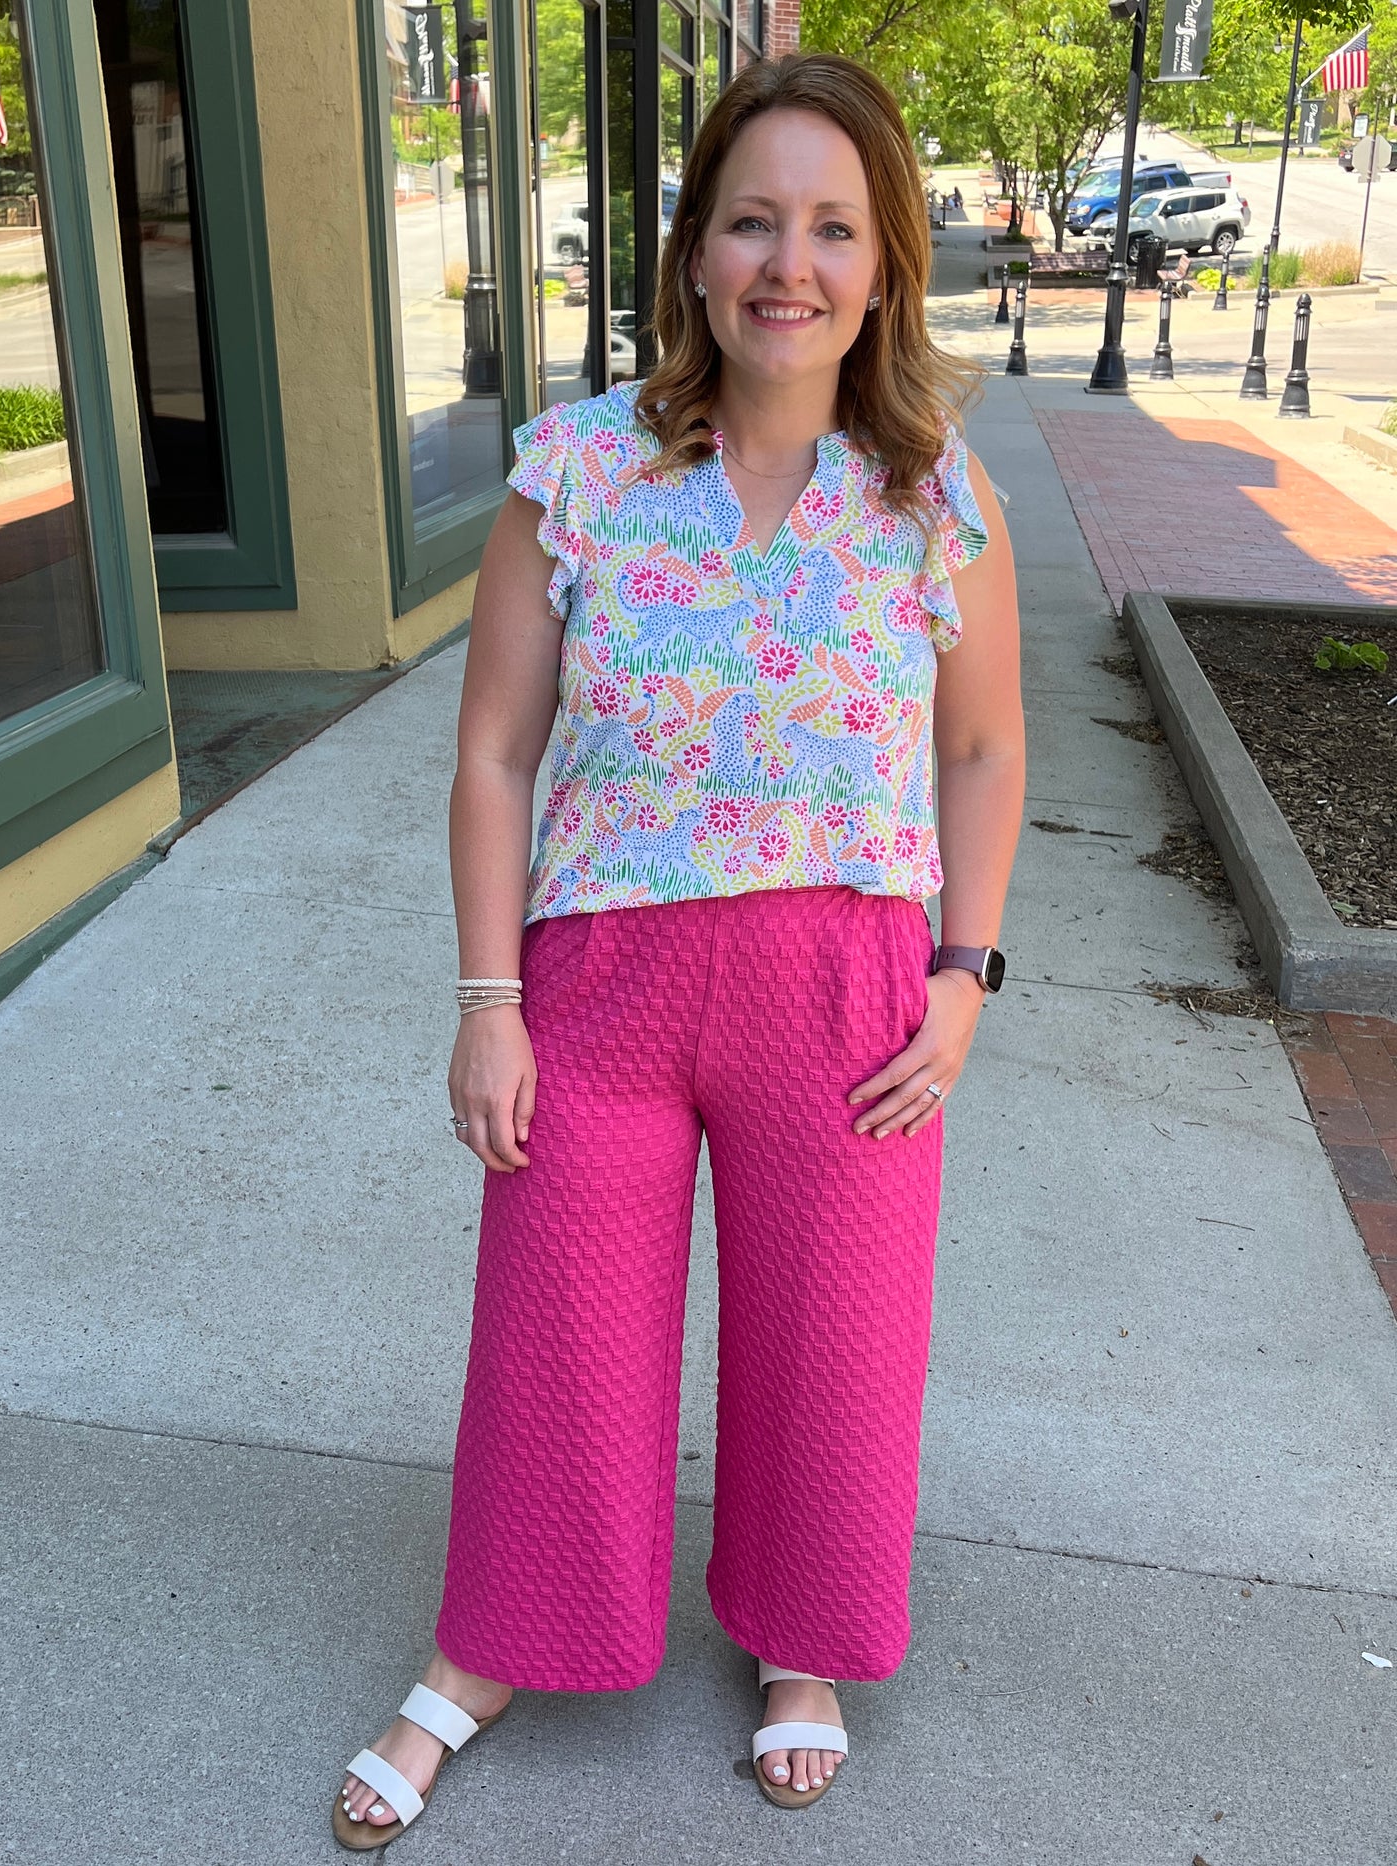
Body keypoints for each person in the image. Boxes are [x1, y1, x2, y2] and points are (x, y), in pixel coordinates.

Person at [335, 49, 1023, 1849]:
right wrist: (487, 1002)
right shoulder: (576, 469)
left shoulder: (935, 493)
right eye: (750, 221)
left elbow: (980, 746)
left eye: (830, 227)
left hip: (849, 989)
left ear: (882, 266)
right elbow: (491, 748)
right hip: (605, 985)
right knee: (559, 1322)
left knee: (839, 1336)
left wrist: (967, 972)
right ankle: (494, 1641)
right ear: (695, 249)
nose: (786, 263)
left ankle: (806, 1643)